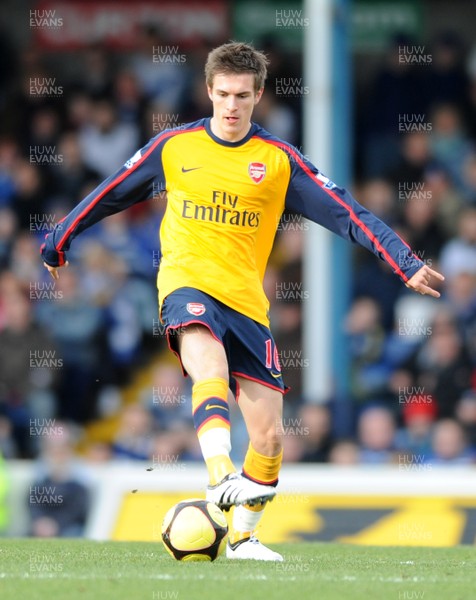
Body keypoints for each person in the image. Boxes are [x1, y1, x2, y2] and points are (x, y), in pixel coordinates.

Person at [41, 42, 444, 561]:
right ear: (209, 91)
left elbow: (347, 212)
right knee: (205, 356)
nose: (232, 106)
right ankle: (218, 476)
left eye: (243, 97)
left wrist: (404, 261)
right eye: (223, 94)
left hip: (248, 303)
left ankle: (244, 538)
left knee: (271, 437)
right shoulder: (174, 147)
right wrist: (59, 238)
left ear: (259, 97)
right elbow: (111, 191)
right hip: (186, 284)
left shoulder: (278, 162)